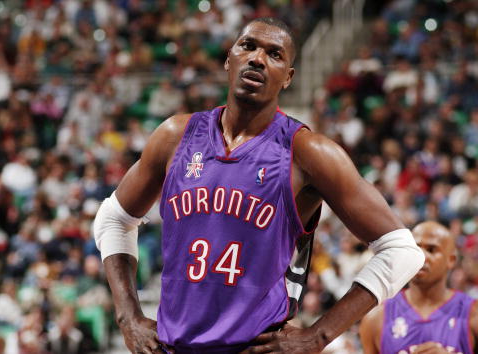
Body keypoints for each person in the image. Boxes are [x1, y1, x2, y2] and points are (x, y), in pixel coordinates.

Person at [94, 17, 424, 353]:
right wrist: (127, 316)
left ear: (288, 78)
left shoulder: (308, 152)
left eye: (274, 54)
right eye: (248, 46)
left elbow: (402, 251)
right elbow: (113, 218)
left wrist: (319, 335)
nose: (257, 59)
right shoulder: (174, 137)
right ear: (228, 58)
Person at [359, 221, 478, 354]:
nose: (421, 256)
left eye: (431, 249)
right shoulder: (375, 318)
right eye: (416, 248)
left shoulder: (474, 314)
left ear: (451, 260)